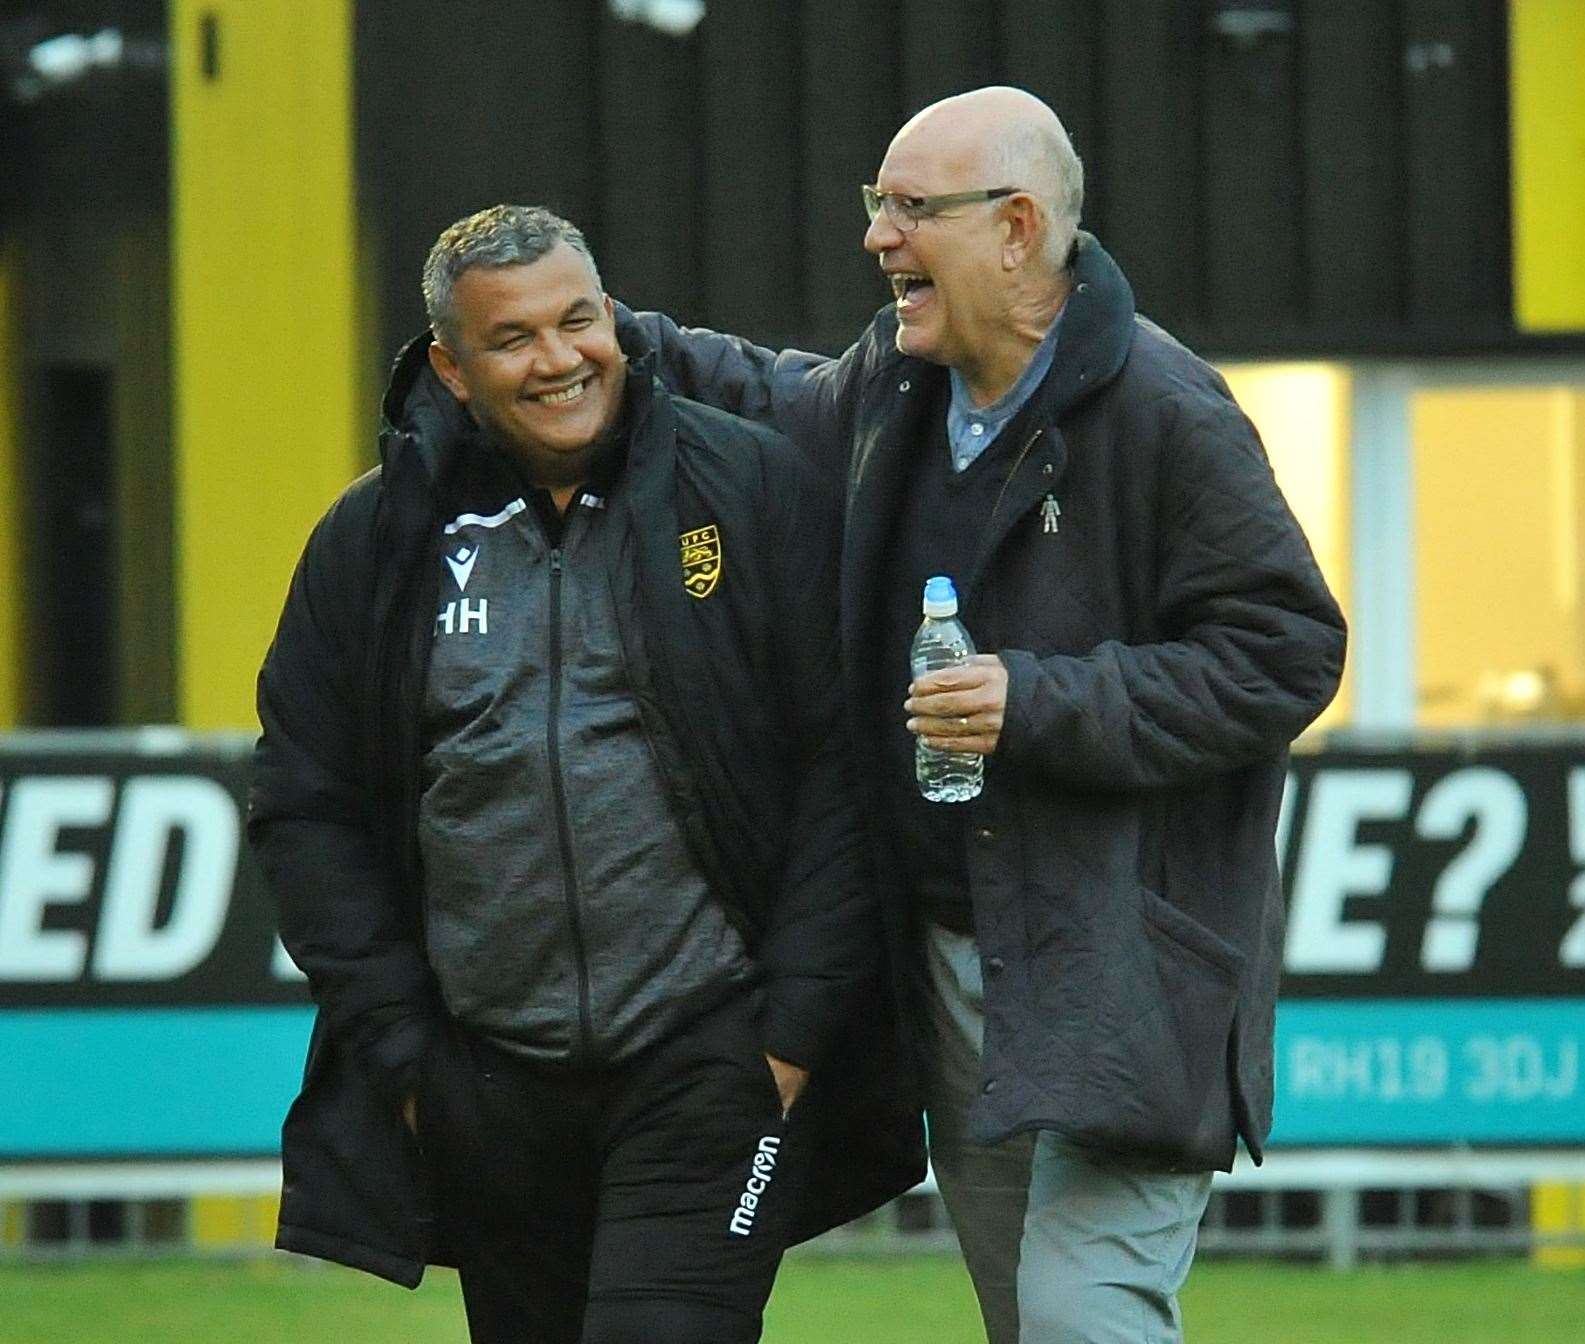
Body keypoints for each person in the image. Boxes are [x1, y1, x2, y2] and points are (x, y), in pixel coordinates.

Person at [628, 86, 1347, 1343]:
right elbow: (758, 392)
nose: (877, 238)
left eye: (910, 210)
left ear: (1017, 229)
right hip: (956, 966)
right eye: (877, 205)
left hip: (1121, 969)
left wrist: (1041, 699)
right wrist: (589, 332)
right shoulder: (894, 390)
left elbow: (1287, 650)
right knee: (1029, 1321)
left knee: (1079, 1317)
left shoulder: (1167, 413)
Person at [249, 204, 923, 1344]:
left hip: (712, 1063)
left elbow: (846, 769)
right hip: (483, 1084)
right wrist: (412, 1062)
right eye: (513, 340)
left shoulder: (749, 491)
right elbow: (302, 803)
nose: (560, 359)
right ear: (452, 371)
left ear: (614, 318)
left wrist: (786, 1039)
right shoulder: (374, 541)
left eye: (579, 320)